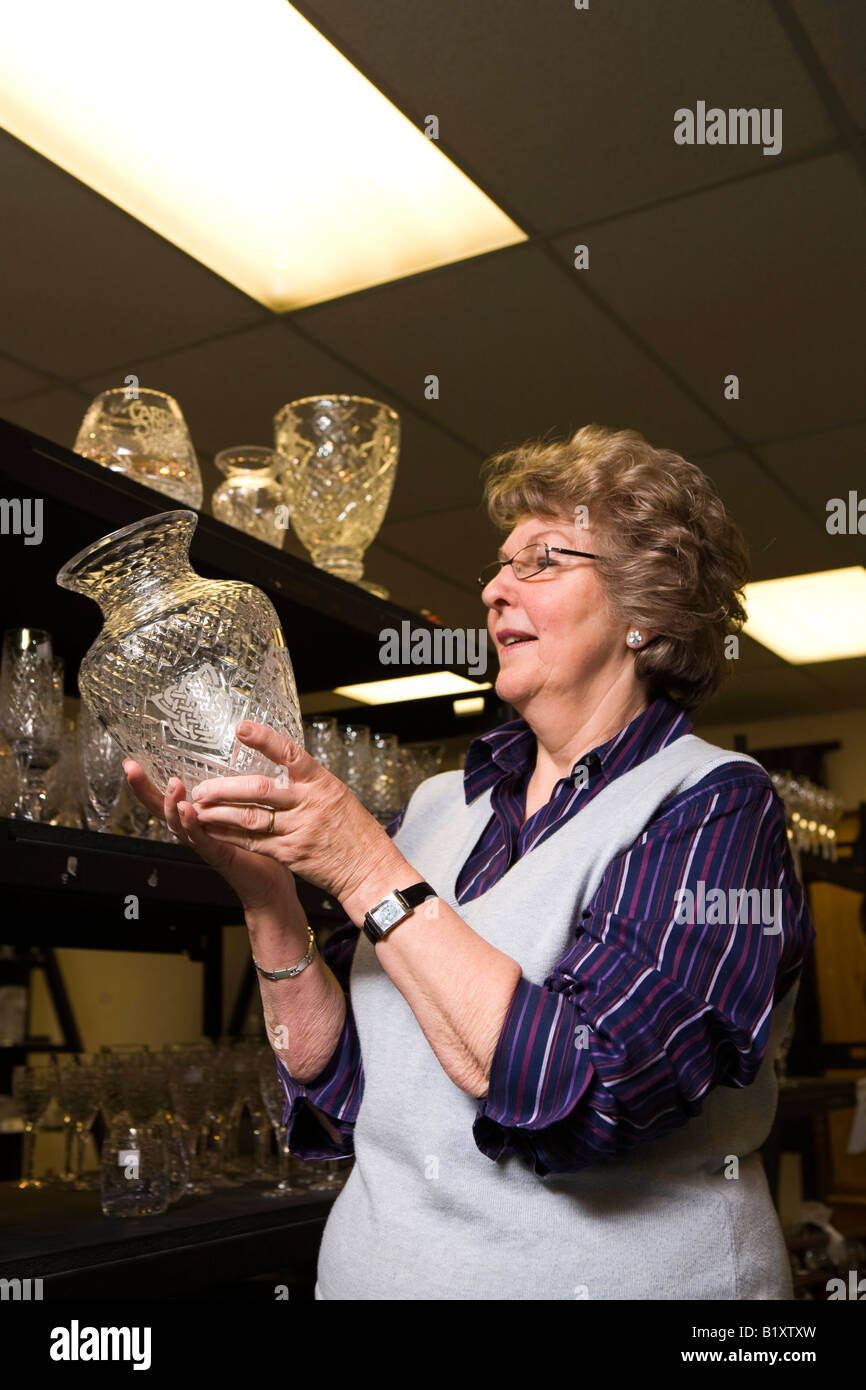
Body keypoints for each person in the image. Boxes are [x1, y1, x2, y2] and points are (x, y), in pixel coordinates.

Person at [125, 424, 814, 1301]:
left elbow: (593, 1089)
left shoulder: (714, 803)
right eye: (498, 566)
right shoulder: (437, 808)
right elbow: (344, 1091)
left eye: (541, 561)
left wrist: (363, 868)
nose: (492, 590)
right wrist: (269, 900)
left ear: (648, 609)